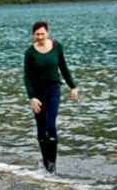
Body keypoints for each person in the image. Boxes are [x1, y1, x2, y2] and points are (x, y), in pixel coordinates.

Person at [21, 18, 76, 172]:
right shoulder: (30, 52)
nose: (40, 37)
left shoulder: (56, 47)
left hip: (53, 89)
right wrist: (31, 97)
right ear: (33, 35)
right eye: (37, 34)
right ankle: (46, 162)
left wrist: (73, 86)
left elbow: (64, 67)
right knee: (41, 128)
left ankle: (53, 162)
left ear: (48, 33)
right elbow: (27, 76)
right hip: (38, 93)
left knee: (50, 125)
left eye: (42, 34)